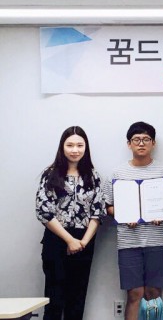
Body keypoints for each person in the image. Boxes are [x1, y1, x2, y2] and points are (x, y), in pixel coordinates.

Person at [103, 122, 163, 320]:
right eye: (136, 140)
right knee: (135, 293)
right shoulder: (117, 174)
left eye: (146, 139)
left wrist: (161, 214)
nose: (141, 143)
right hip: (129, 242)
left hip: (157, 241)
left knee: (154, 293)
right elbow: (107, 206)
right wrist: (123, 214)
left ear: (153, 143)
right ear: (129, 144)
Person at [35, 126, 106, 320]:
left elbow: (98, 212)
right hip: (56, 239)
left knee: (77, 300)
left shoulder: (93, 175)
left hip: (85, 240)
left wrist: (83, 242)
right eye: (70, 145)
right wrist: (69, 240)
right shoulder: (50, 174)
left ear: (86, 147)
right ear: (62, 147)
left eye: (80, 145)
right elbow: (44, 211)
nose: (75, 150)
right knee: (54, 299)